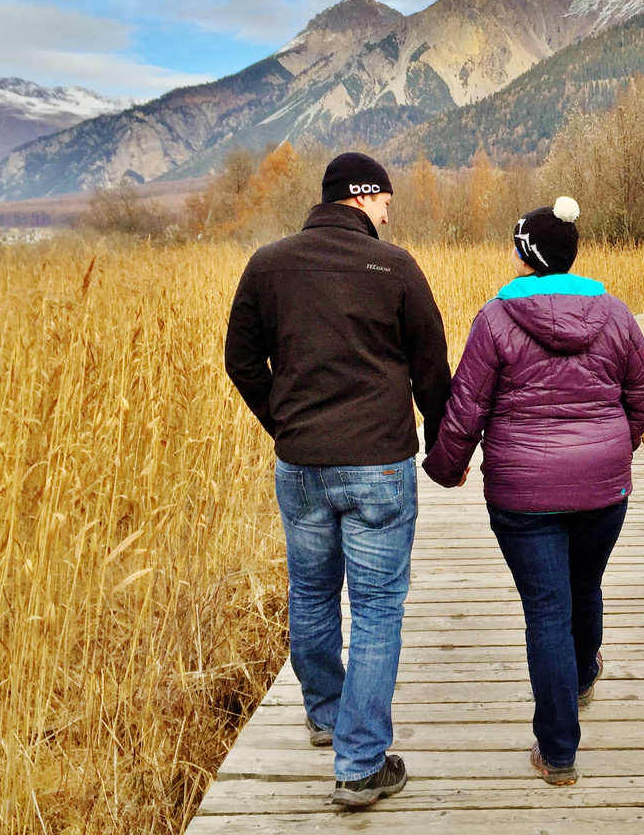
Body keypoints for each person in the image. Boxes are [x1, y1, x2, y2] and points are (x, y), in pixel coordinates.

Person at [224, 151, 450, 807]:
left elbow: (241, 359)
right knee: (377, 608)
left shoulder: (269, 264)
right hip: (379, 463)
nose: (389, 214)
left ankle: (326, 716)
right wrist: (443, 447)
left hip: (302, 467)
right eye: (385, 202)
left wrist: (285, 424)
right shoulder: (395, 266)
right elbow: (432, 367)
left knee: (314, 594)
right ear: (363, 197)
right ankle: (358, 764)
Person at [423, 196, 644, 786]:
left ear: (526, 253)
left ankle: (557, 753)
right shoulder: (615, 314)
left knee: (547, 608)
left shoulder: (495, 319)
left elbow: (466, 407)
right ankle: (581, 676)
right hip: (604, 489)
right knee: (585, 583)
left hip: (522, 495)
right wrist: (609, 450)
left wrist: (446, 468)